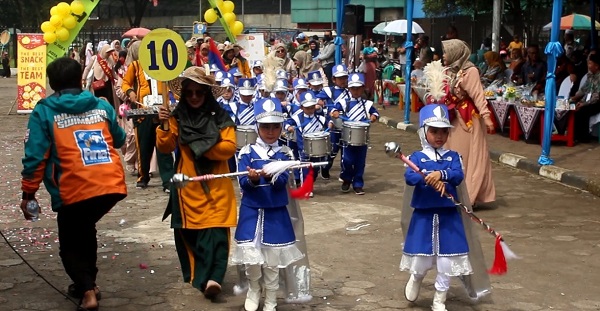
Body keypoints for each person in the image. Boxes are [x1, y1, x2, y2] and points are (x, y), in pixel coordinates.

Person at [20, 57, 127, 311]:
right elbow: (120, 138)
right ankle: (89, 283)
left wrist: (28, 193)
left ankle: (87, 291)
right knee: (85, 231)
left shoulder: (44, 111)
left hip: (73, 188)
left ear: (52, 83)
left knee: (70, 244)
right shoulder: (102, 106)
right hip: (110, 186)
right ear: (80, 78)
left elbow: (36, 155)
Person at [157, 66, 237, 301]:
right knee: (193, 237)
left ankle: (215, 278)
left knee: (217, 235)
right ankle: (202, 278)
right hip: (187, 189)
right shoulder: (175, 117)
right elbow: (166, 147)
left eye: (199, 92)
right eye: (189, 92)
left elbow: (229, 148)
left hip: (216, 186)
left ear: (207, 94)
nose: (193, 97)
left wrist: (201, 144)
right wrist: (163, 126)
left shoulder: (221, 117)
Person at [400, 104, 484, 311]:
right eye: (434, 131)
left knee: (448, 260)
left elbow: (457, 175)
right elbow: (410, 178)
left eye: (443, 131)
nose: (439, 136)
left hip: (449, 215)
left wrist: (441, 175)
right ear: (423, 132)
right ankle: (416, 278)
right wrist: (425, 175)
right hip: (424, 215)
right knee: (422, 257)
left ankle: (440, 298)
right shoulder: (416, 158)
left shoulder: (453, 157)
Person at [232, 97, 306, 311]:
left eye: (275, 126)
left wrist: (270, 174)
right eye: (265, 127)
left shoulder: (286, 153)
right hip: (251, 213)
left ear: (282, 127)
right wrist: (253, 179)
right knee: (252, 259)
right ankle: (255, 290)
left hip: (275, 214)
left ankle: (272, 298)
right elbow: (242, 183)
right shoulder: (246, 152)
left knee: (272, 262)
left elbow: (283, 181)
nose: (271, 131)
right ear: (257, 126)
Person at [441, 39, 496, 206]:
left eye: (446, 52)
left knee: (464, 157)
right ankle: (453, 194)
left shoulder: (469, 71)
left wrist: (487, 117)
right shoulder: (449, 71)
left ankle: (468, 197)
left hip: (467, 121)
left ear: (455, 53)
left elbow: (478, 94)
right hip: (452, 119)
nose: (443, 55)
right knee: (450, 155)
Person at [121, 40, 175, 191]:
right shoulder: (135, 66)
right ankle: (142, 177)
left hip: (162, 111)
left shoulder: (164, 66)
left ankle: (168, 180)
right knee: (143, 146)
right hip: (143, 112)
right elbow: (125, 83)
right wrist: (130, 92)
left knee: (163, 147)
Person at [331, 73, 378, 195]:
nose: (356, 91)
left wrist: (373, 117)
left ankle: (358, 183)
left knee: (360, 162)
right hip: (347, 137)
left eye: (358, 88)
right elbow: (334, 109)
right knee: (346, 160)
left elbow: (375, 113)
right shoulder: (343, 102)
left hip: (362, 138)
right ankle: (346, 179)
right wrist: (335, 112)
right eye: (353, 88)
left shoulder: (367, 104)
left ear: (363, 88)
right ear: (349, 89)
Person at [569, 53, 600, 143]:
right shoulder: (590, 76)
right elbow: (584, 89)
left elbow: (596, 97)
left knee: (582, 111)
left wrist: (583, 104)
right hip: (589, 100)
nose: (588, 66)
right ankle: (572, 134)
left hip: (597, 102)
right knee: (572, 106)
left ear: (597, 66)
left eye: (590, 63)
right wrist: (574, 97)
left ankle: (583, 137)